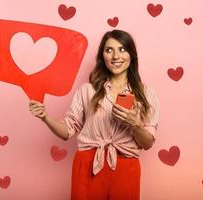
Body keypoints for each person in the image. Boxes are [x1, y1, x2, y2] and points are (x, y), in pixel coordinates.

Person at [29, 29, 159, 200]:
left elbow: (147, 143)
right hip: (88, 164)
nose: (115, 56)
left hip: (126, 167)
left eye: (122, 49)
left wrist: (134, 124)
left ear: (131, 55)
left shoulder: (146, 94)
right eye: (109, 50)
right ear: (102, 56)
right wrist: (45, 116)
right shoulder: (87, 90)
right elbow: (67, 131)